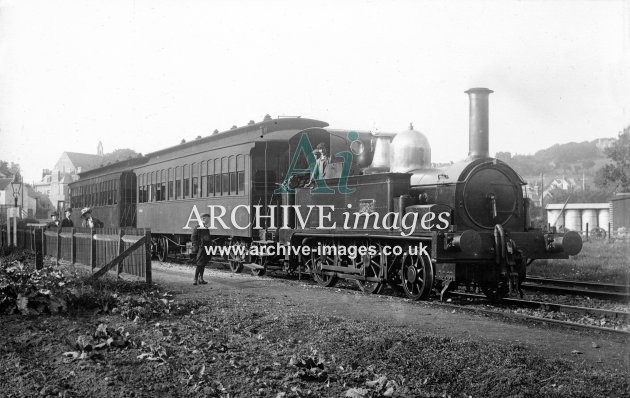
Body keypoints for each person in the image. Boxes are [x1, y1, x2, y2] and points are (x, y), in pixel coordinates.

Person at [191, 213, 213, 285]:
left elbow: (208, 238)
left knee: (203, 264)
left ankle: (201, 279)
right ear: (203, 219)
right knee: (199, 264)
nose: (208, 221)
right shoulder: (197, 228)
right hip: (200, 249)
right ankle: (195, 279)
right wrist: (198, 246)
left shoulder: (206, 228)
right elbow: (193, 238)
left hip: (206, 248)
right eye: (207, 219)